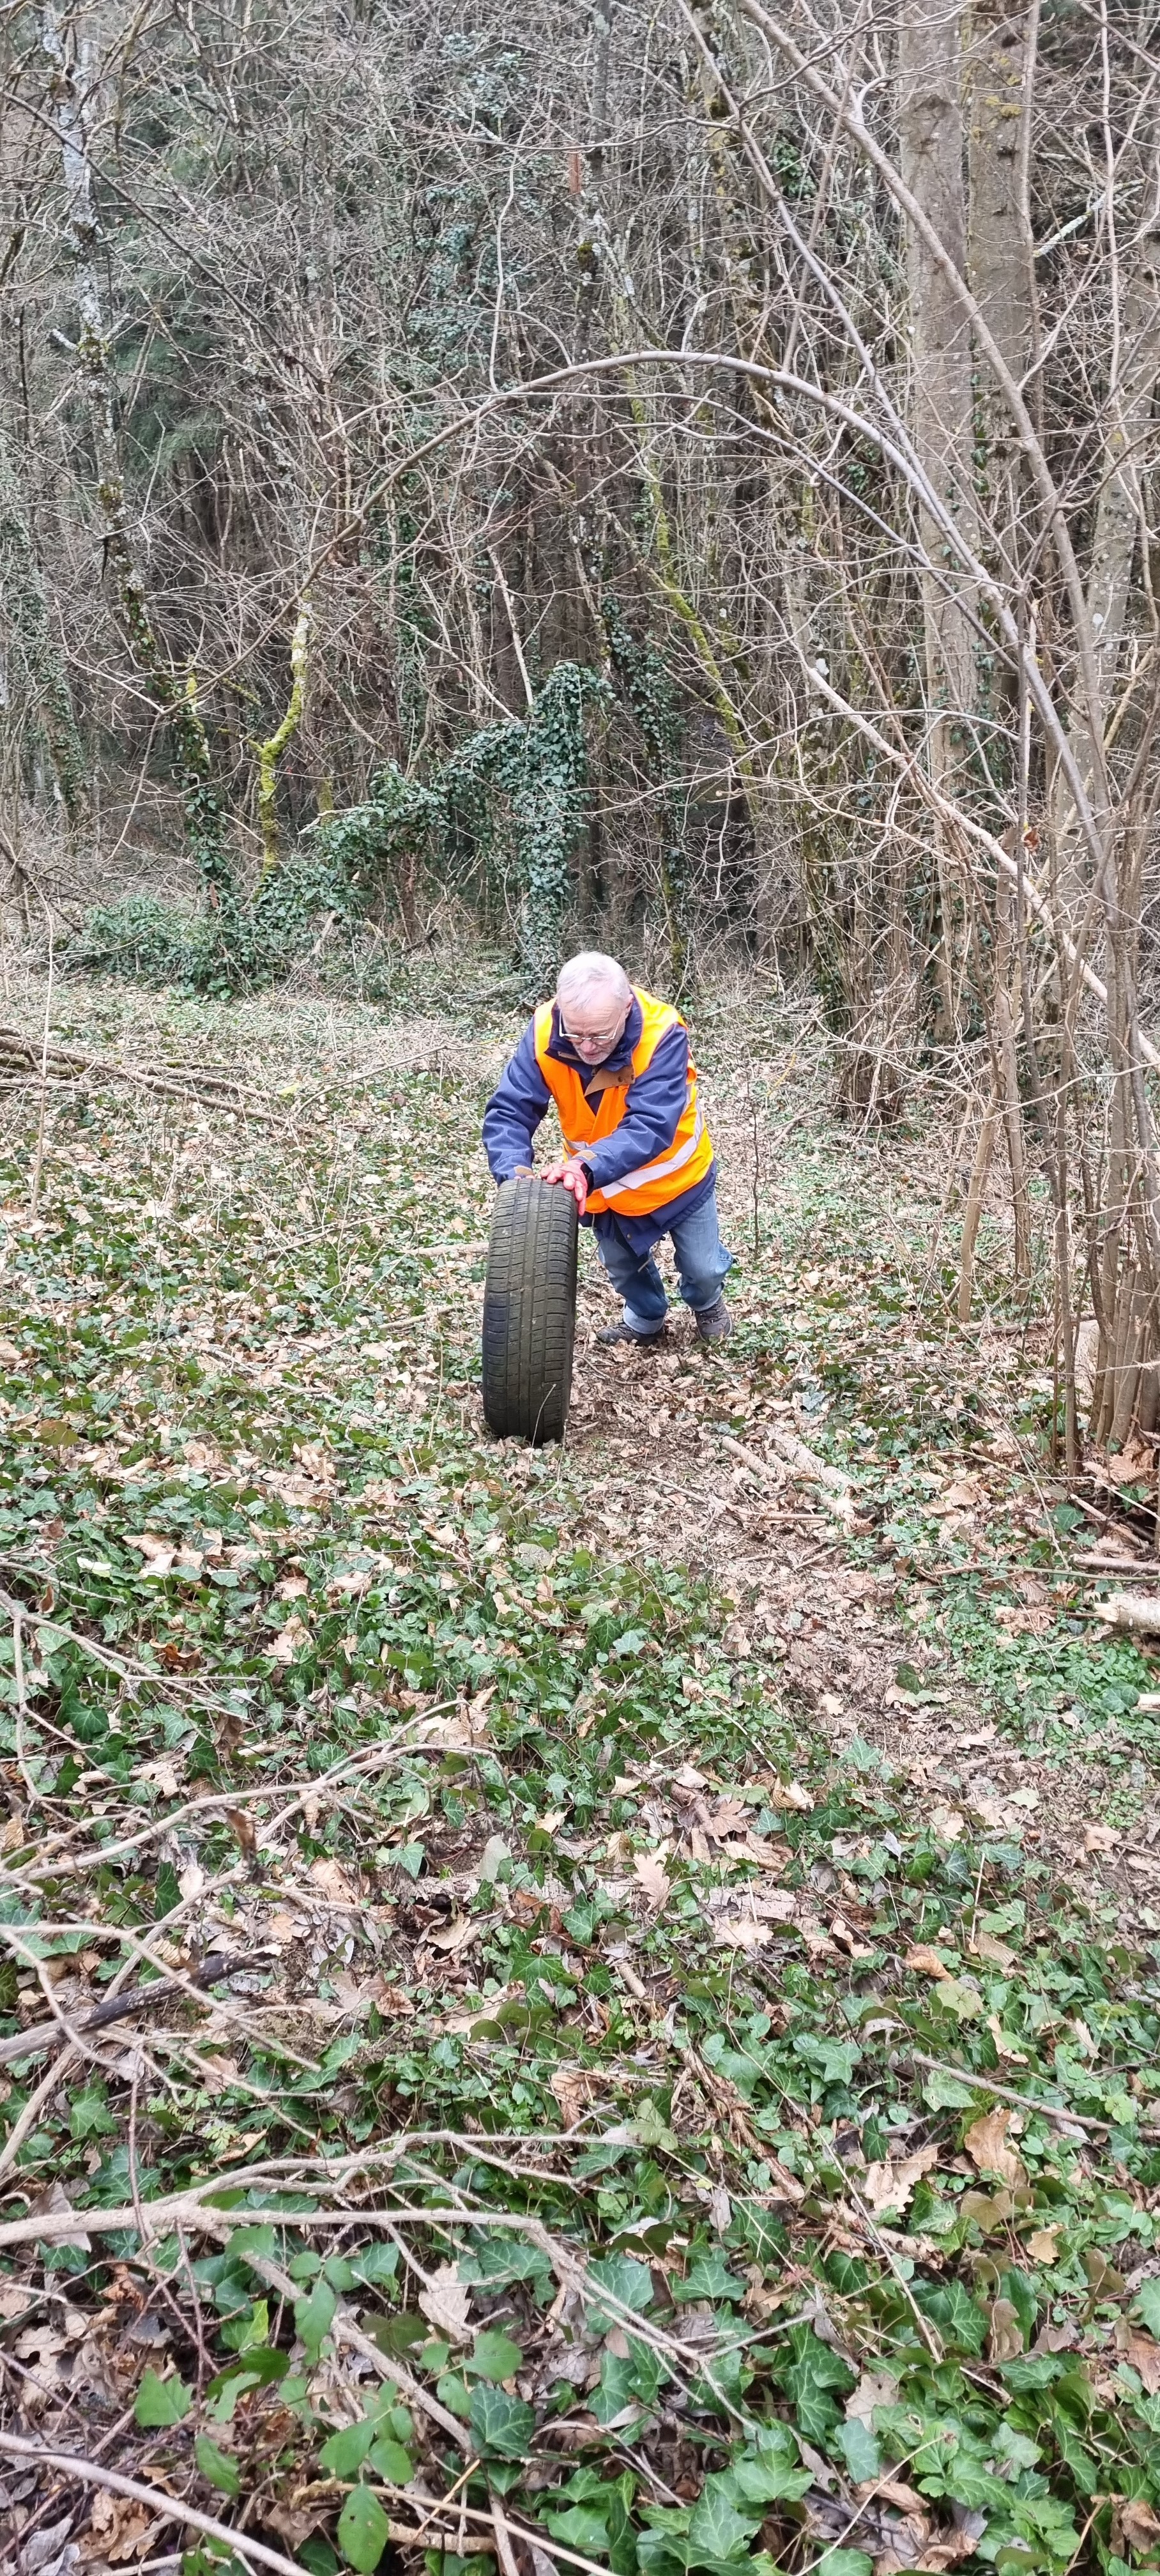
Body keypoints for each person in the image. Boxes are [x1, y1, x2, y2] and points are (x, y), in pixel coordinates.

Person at [482, 951, 732, 1345]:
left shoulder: (662, 1032)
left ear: (627, 1007)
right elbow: (511, 1109)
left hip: (678, 1179)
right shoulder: (546, 1027)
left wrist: (585, 1167)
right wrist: (514, 1174)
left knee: (702, 1269)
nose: (587, 1047)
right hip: (602, 1186)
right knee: (624, 1269)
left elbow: (650, 1125)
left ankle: (708, 1303)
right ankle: (646, 1319)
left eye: (600, 1035)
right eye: (575, 1034)